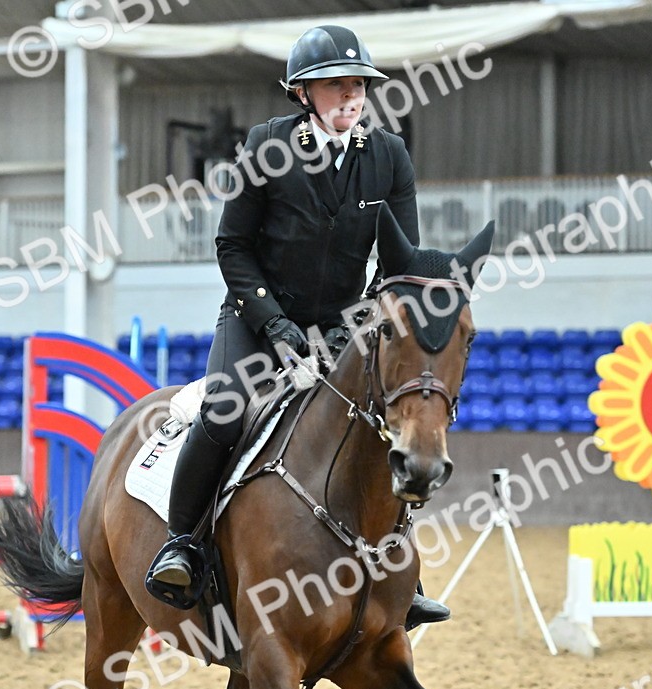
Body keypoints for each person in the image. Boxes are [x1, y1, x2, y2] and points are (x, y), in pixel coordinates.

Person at [146, 24, 450, 629]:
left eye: (358, 85)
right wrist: (279, 327)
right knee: (224, 410)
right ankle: (182, 544)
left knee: (381, 423)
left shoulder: (389, 157)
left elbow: (400, 265)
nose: (351, 97)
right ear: (304, 95)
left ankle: (396, 571)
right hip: (258, 320)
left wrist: (354, 326)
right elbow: (232, 246)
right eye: (335, 87)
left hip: (342, 327)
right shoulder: (266, 147)